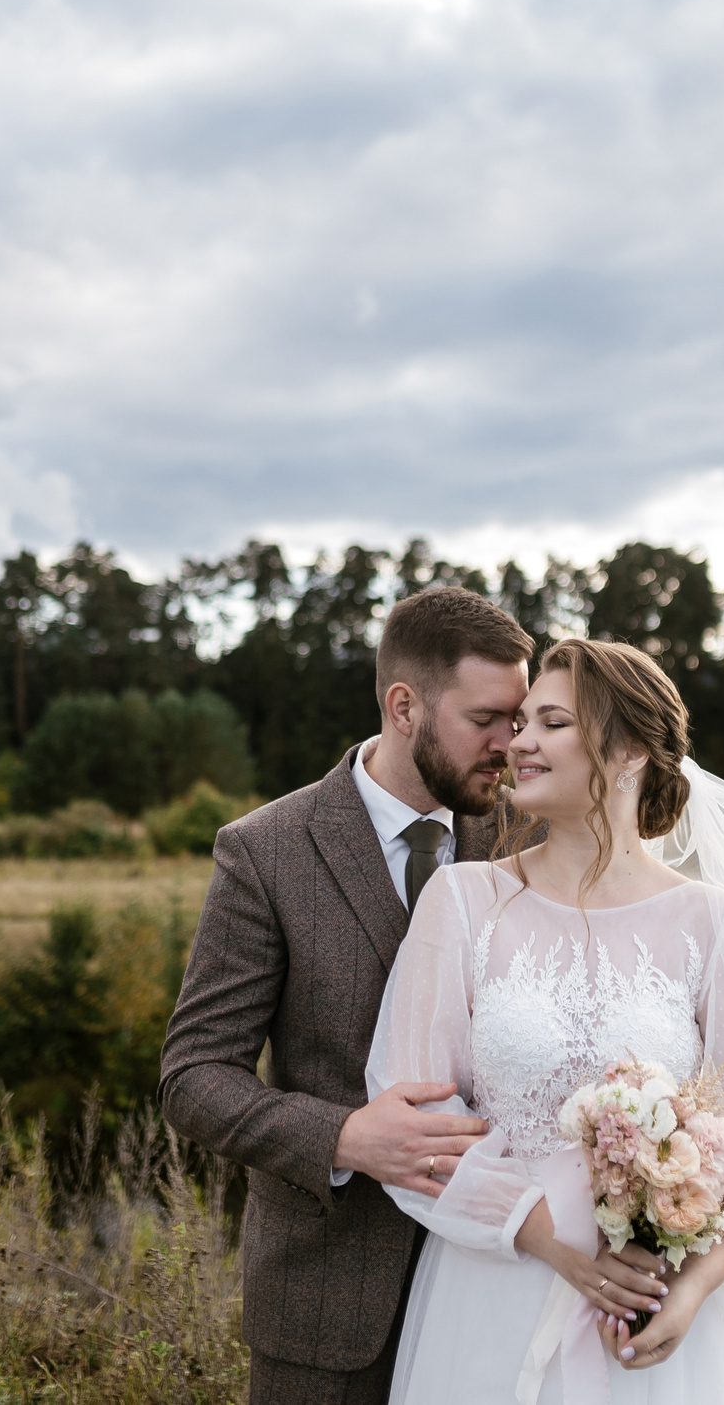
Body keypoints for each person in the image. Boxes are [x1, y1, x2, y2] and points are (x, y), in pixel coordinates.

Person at [367, 638, 724, 1403]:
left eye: (550, 722)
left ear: (627, 752)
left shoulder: (716, 923)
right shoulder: (460, 903)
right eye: (520, 721)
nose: (518, 741)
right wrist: (549, 1237)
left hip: (664, 1320)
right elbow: (416, 1118)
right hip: (494, 1297)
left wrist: (688, 1292)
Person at [160, 587, 537, 1404]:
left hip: (498, 1289)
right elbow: (193, 1076)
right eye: (487, 720)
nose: (510, 746)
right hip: (328, 1306)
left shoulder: (530, 841)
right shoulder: (265, 851)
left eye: (521, 718)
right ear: (405, 706)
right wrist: (345, 1138)